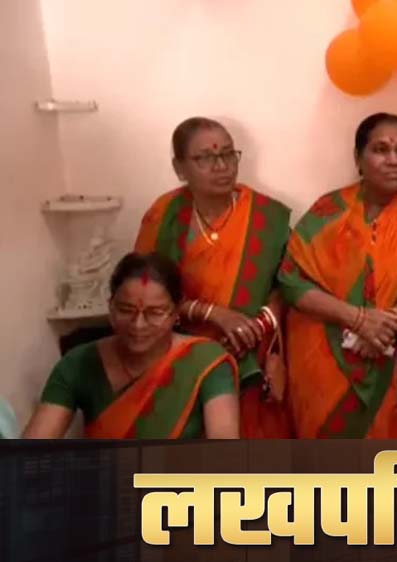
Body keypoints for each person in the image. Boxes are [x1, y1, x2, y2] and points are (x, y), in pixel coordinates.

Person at [279, 113, 397, 438]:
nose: (394, 160)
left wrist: (391, 321)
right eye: (381, 149)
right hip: (322, 360)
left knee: (380, 456)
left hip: (385, 355)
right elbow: (291, 280)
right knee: (322, 462)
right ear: (358, 159)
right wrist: (358, 320)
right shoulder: (327, 211)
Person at [134, 117, 292, 439]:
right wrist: (213, 314)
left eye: (228, 154)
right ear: (180, 168)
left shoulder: (267, 217)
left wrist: (255, 327)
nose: (221, 166)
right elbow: (142, 291)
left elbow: (289, 285)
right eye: (205, 157)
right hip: (181, 356)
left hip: (253, 354)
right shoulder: (163, 216)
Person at [23, 253, 239, 439]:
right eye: (126, 310)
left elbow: (225, 455)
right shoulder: (78, 363)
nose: (138, 324)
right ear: (110, 307)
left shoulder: (205, 362)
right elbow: (31, 450)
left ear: (175, 313)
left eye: (155, 313)